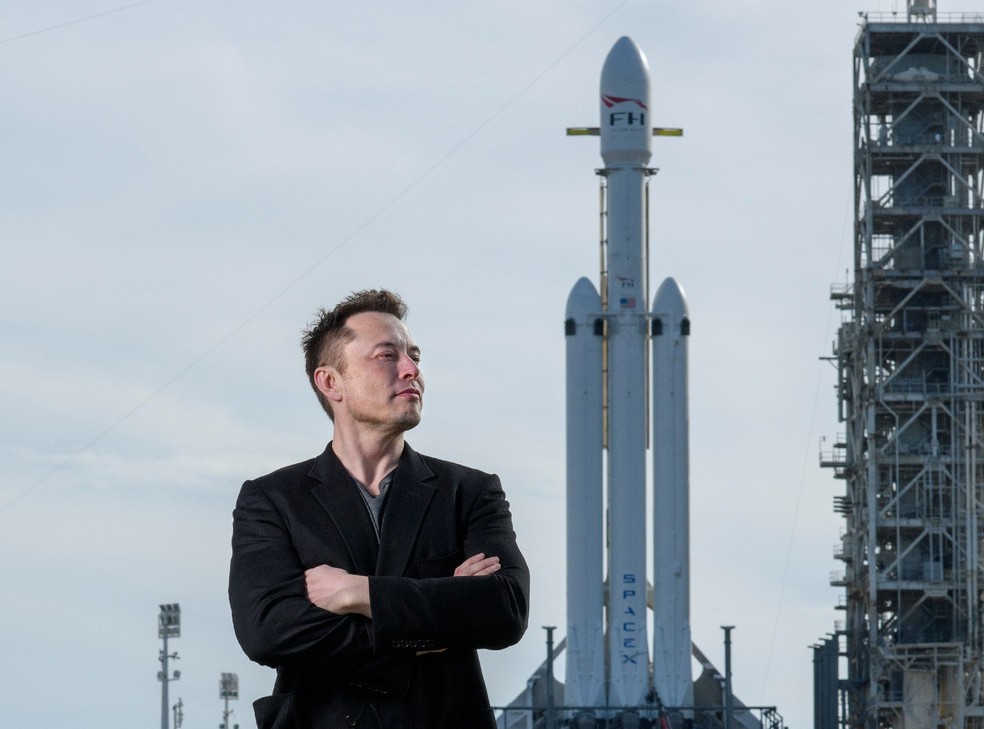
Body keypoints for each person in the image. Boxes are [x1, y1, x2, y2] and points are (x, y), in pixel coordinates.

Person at [228, 289, 530, 729]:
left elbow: (505, 608)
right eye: (387, 355)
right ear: (331, 382)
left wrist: (359, 593)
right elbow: (268, 630)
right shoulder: (273, 500)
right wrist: (427, 627)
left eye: (414, 355)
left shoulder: (470, 491)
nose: (412, 370)